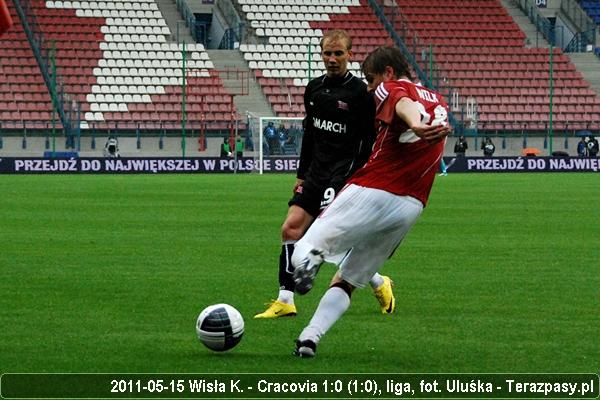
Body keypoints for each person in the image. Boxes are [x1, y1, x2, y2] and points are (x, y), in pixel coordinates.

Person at [290, 45, 451, 357]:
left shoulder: (391, 87)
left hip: (374, 187)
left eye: (370, 79)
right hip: (411, 206)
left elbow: (402, 103)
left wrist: (416, 125)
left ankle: (310, 260)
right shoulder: (438, 100)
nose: (368, 87)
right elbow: (415, 110)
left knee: (301, 246)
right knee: (348, 280)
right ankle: (309, 338)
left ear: (387, 72)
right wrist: (420, 124)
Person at [255, 30, 393, 319]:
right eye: (327, 54)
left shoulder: (360, 93)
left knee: (328, 238)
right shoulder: (314, 88)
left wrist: (358, 175)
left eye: (338, 54)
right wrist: (302, 173)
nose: (332, 59)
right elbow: (310, 134)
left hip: (344, 172)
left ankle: (379, 281)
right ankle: (285, 300)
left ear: (349, 55)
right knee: (290, 229)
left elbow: (369, 140)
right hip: (316, 170)